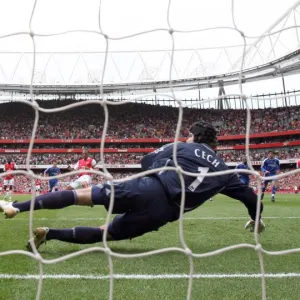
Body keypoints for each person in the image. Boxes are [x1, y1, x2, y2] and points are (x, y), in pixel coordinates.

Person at [0, 121, 265, 251]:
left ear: (193, 136)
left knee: (80, 195)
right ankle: (49, 234)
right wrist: (256, 220)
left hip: (148, 187)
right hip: (164, 212)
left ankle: (17, 208)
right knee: (106, 234)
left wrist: (160, 168)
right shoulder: (226, 172)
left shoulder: (183, 146)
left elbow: (146, 160)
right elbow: (252, 199)